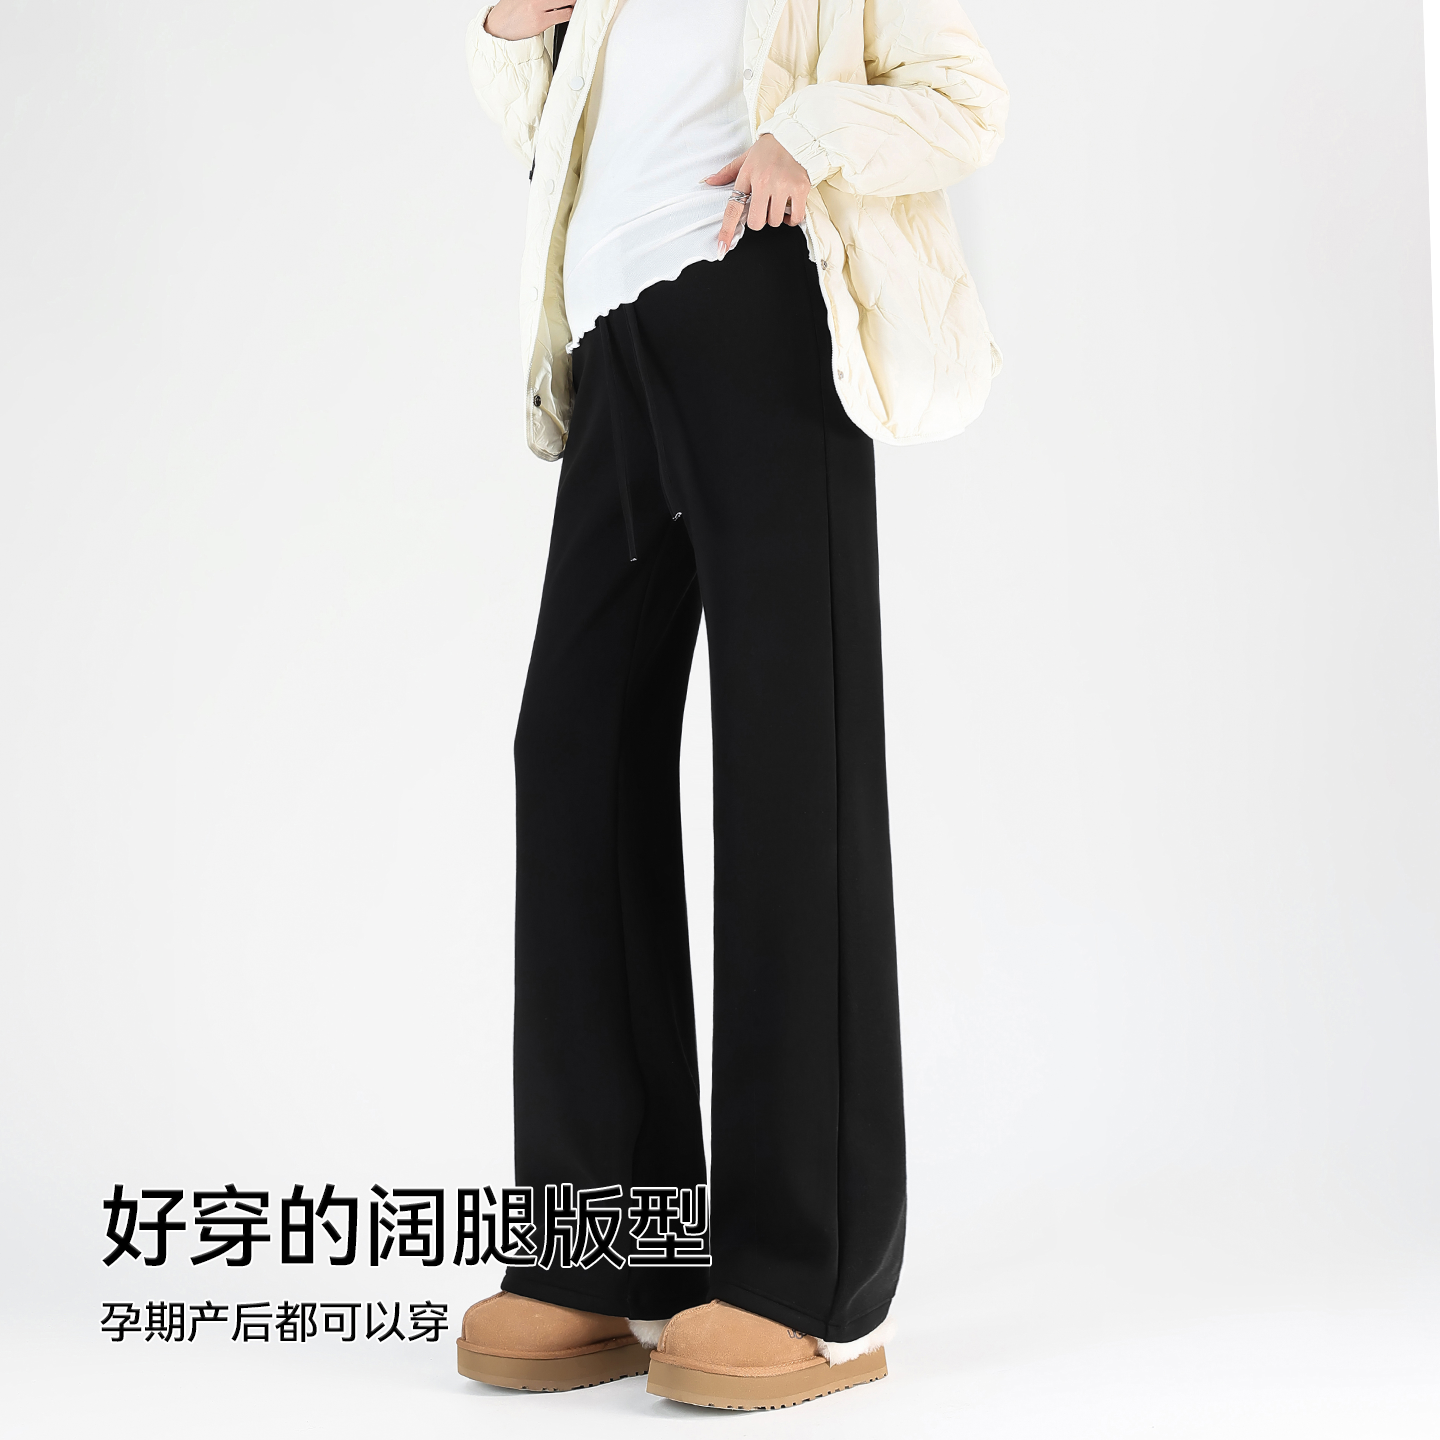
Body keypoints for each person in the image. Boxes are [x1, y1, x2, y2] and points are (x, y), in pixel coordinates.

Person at [455, 0, 1006, 1411]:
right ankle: (610, 1248)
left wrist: (806, 136)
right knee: (571, 748)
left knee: (786, 763)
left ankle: (806, 1282)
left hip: (760, 306)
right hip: (615, 337)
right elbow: (547, 142)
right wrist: (516, 33)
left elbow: (963, 101)